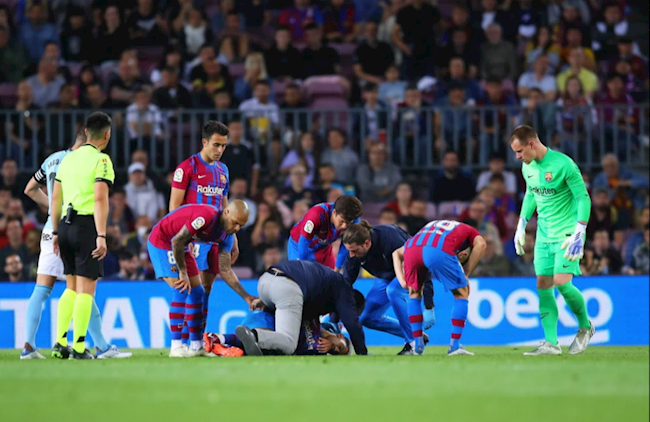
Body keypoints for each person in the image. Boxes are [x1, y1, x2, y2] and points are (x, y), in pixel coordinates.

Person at [20, 129, 130, 360]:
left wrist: (52, 207)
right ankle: (98, 346)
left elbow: (29, 188)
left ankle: (28, 347)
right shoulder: (81, 162)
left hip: (50, 230)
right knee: (84, 289)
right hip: (74, 227)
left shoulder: (53, 159)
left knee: (42, 290)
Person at [510, 125, 594, 356]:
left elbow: (583, 198)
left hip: (568, 234)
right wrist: (521, 224)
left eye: (519, 151)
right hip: (544, 236)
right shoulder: (527, 167)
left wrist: (580, 231)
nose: (517, 157)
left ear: (531, 144)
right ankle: (551, 343)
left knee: (562, 283)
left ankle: (585, 327)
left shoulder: (564, 164)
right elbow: (531, 194)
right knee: (543, 285)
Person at [147, 201, 257, 357]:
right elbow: (176, 240)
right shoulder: (206, 217)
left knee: (198, 292)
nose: (237, 228)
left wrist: (246, 297)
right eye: (235, 223)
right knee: (181, 288)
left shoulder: (227, 236)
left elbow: (225, 269)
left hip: (182, 246)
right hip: (163, 240)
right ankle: (176, 346)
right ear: (226, 212)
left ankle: (196, 346)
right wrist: (183, 272)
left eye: (241, 225)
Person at [49, 113, 116, 360]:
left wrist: (56, 232)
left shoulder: (67, 159)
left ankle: (60, 343)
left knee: (70, 287)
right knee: (86, 290)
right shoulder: (102, 160)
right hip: (87, 227)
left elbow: (55, 198)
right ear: (107, 134)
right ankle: (78, 348)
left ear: (86, 132)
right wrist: (101, 235)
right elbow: (100, 198)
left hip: (65, 226)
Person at [169, 121, 238, 343]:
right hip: (194, 237)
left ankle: (197, 340)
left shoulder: (223, 170)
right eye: (216, 144)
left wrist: (233, 237)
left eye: (224, 146)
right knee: (192, 288)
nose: (220, 150)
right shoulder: (187, 168)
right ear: (204, 142)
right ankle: (184, 341)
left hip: (216, 237)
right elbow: (174, 207)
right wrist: (183, 240)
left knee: (207, 288)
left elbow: (225, 207)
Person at [234, 260, 368, 356]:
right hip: (287, 288)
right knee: (288, 344)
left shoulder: (330, 285)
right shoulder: (345, 294)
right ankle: (254, 335)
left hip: (266, 281)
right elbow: (352, 324)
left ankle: (230, 340)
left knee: (283, 328)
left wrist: (267, 303)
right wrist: (362, 353)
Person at [393, 220, 486, 356]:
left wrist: (402, 280)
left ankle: (417, 346)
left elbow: (396, 253)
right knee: (462, 292)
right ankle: (454, 346)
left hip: (412, 248)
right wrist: (466, 272)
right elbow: (481, 244)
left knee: (414, 294)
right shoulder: (471, 232)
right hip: (438, 249)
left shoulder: (435, 225)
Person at [342, 222, 435, 355]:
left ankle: (414, 343)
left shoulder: (390, 238)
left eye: (354, 251)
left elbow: (421, 264)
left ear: (367, 243)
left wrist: (429, 305)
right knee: (367, 317)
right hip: (386, 277)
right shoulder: (353, 254)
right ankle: (417, 334)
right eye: (349, 251)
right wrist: (335, 316)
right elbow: (345, 284)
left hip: (408, 270)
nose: (351, 255)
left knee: (393, 291)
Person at [204, 311, 354, 357]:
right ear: (340, 336)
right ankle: (218, 339)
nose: (334, 349)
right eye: (339, 347)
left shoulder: (317, 350)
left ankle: (220, 346)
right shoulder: (318, 323)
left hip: (263, 333)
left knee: (266, 349)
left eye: (335, 353)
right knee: (270, 339)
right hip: (264, 320)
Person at [288, 196, 362, 271]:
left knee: (333, 277)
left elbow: (345, 245)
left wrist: (337, 268)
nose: (344, 226)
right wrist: (304, 269)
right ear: (334, 212)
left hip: (323, 249)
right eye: (342, 221)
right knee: (301, 274)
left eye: (348, 222)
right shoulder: (316, 215)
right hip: (299, 247)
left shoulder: (354, 220)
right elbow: (304, 243)